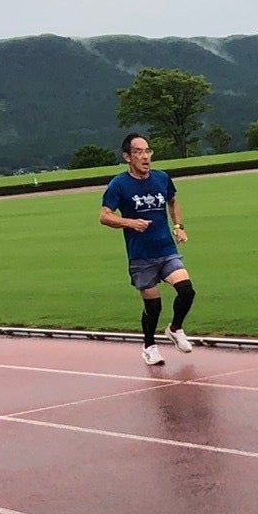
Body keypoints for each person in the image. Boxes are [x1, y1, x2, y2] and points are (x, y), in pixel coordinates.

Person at [99, 133, 196, 366]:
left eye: (148, 151)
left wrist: (178, 226)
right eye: (139, 152)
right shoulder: (119, 185)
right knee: (154, 307)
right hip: (141, 256)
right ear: (127, 157)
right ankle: (149, 346)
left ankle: (175, 329)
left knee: (186, 291)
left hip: (166, 250)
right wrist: (130, 223)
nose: (145, 157)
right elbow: (104, 216)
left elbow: (172, 200)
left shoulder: (162, 178)